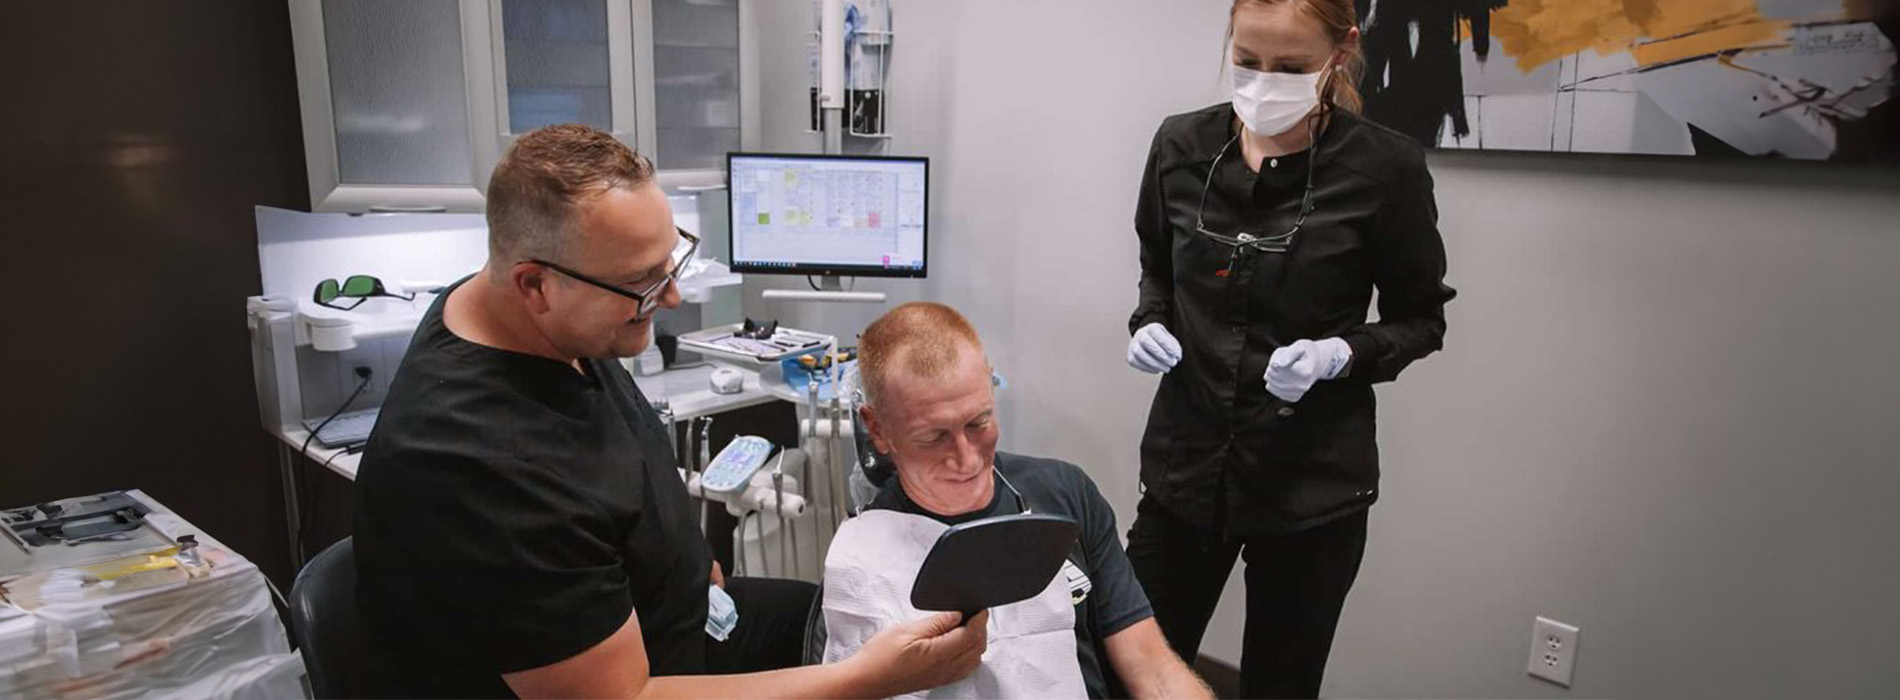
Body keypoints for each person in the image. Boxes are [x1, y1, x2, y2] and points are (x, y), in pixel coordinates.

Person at [353, 125, 987, 699]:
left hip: (680, 619)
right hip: (636, 682)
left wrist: (688, 557)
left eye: (671, 261)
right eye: (645, 282)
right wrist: (864, 679)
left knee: (852, 619)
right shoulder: (480, 467)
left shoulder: (529, 319)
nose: (675, 296)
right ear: (534, 285)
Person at [1121, 1, 1457, 697]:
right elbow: (1157, 262)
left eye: (1290, 67)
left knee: (1281, 683)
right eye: (1247, 61)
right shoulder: (1181, 146)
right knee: (1134, 671)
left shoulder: (1383, 169)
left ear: (1341, 51)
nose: (1263, 82)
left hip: (1311, 484)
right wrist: (1149, 318)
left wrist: (1339, 355)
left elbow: (1421, 319)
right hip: (1187, 469)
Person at [829, 302, 1212, 700]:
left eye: (979, 423)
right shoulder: (861, 561)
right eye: (933, 437)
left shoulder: (1065, 494)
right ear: (877, 428)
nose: (966, 458)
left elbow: (1153, 668)